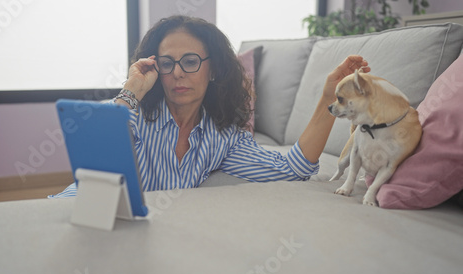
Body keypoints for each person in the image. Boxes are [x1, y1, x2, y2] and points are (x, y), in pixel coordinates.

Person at [49, 15, 369, 197]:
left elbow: (293, 169)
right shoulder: (131, 113)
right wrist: (132, 90)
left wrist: (329, 98)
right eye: (166, 62)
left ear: (213, 69)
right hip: (78, 209)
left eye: (190, 61)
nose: (177, 72)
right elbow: (94, 143)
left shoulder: (222, 137)